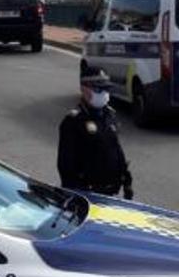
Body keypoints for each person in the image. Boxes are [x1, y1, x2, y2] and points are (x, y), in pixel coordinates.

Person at [57, 67, 133, 199]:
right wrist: (77, 196)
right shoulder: (74, 121)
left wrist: (126, 180)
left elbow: (116, 148)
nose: (104, 94)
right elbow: (66, 167)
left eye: (106, 89)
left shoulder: (109, 114)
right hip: (88, 194)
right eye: (98, 89)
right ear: (83, 89)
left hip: (111, 192)